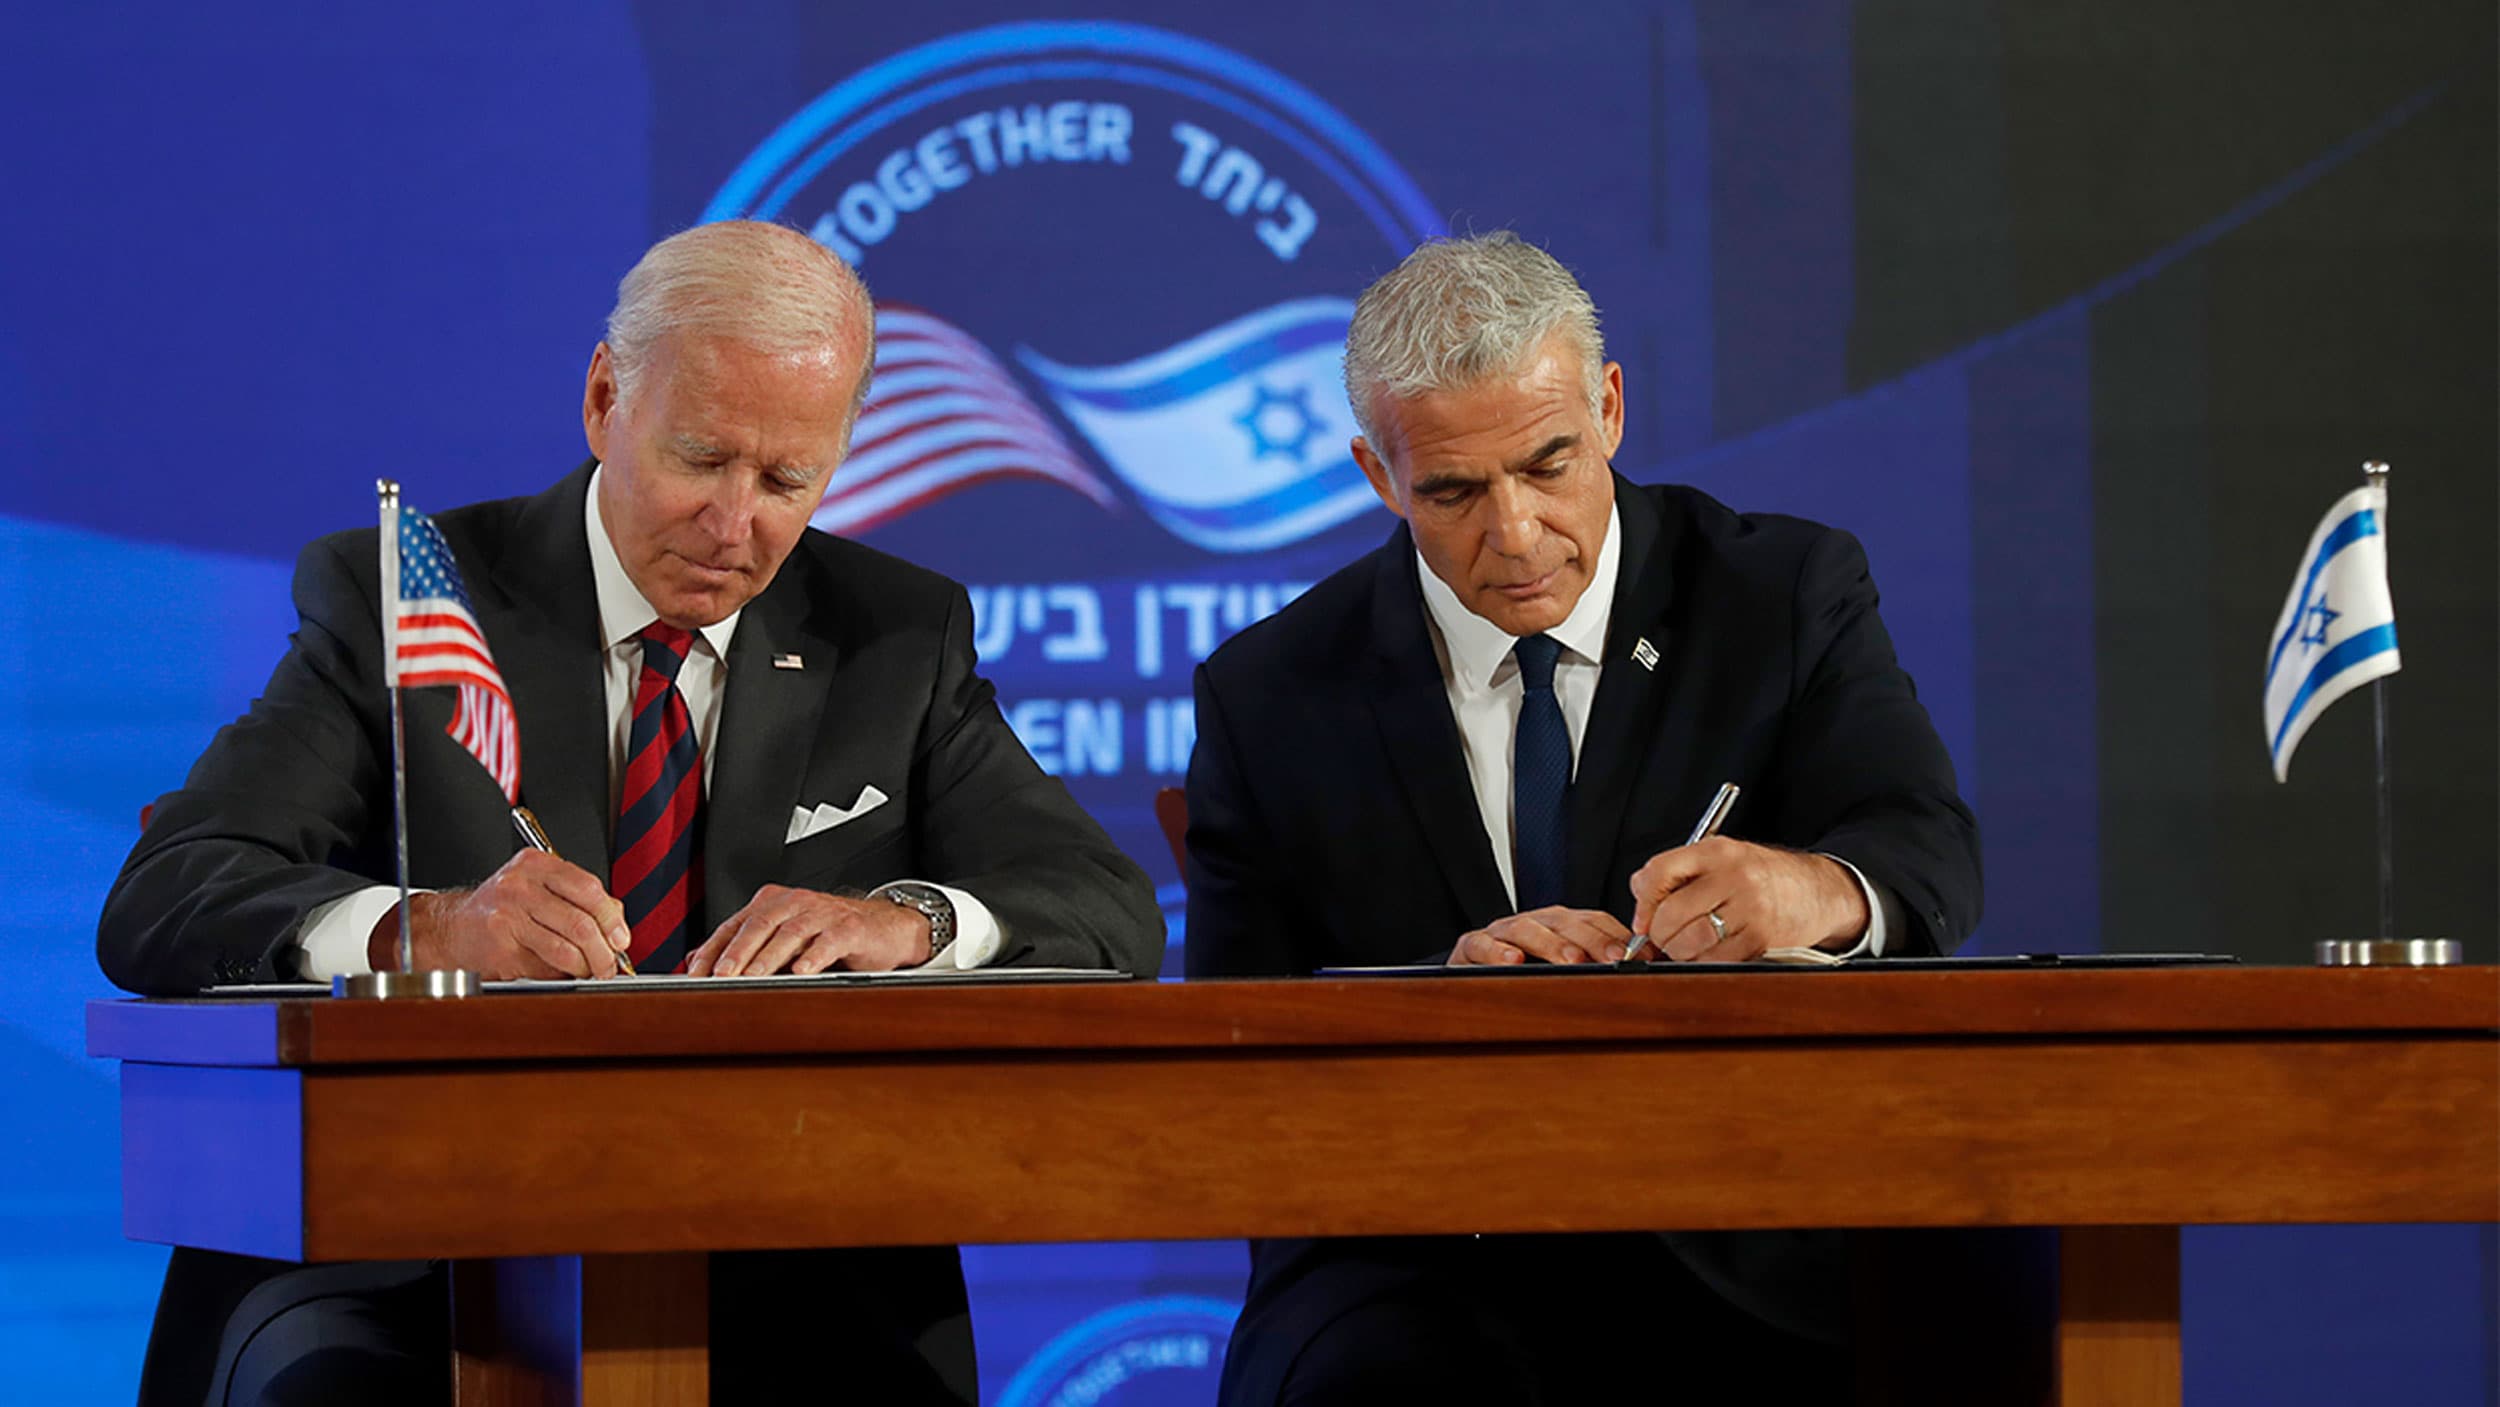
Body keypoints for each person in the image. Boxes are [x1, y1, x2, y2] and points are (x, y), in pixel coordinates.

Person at [98, 220, 1164, 1406]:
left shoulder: (894, 635)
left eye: (784, 481)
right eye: (701, 460)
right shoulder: (403, 598)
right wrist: (425, 934)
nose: (734, 524)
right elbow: (172, 892)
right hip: (412, 1244)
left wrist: (910, 920)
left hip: (784, 1246)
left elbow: (1104, 904)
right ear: (607, 398)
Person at [1183, 232, 1983, 1403]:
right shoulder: (1270, 691)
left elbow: (1926, 850)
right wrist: (1433, 988)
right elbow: (1238, 1045)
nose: (1513, 533)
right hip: (1413, 1257)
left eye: (1549, 465)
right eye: (1452, 491)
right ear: (1376, 474)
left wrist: (1806, 889)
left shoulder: (1781, 596)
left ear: (1607, 410)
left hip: (1741, 1234)